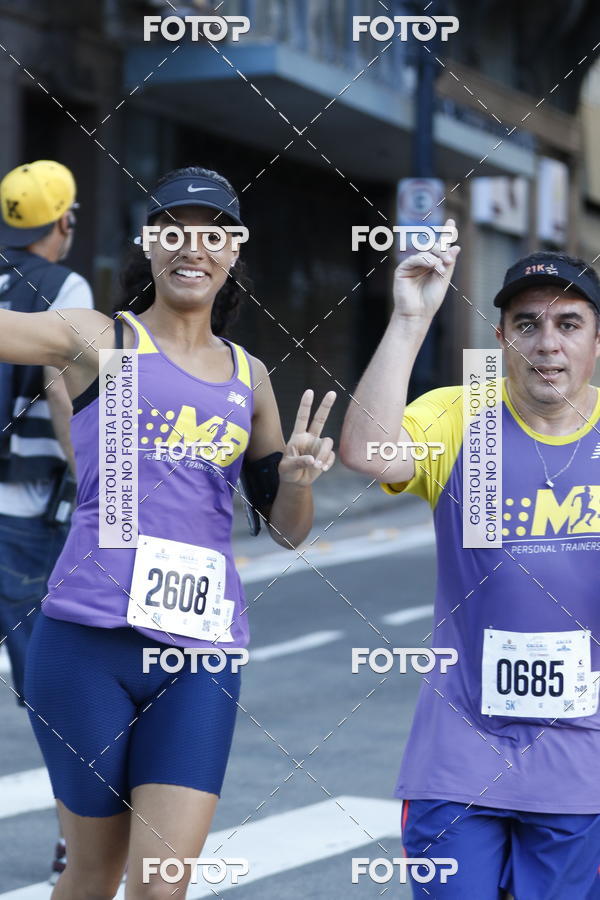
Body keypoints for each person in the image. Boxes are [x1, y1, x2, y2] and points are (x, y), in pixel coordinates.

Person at [16, 165, 336, 899]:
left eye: (214, 232)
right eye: (174, 229)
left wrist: (296, 481)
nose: (194, 246)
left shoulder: (249, 376)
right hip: (86, 646)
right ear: (149, 244)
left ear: (233, 254)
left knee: (162, 884)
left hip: (199, 653)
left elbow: (287, 532)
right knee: (93, 873)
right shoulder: (103, 338)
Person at [340, 230, 600, 899]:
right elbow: (368, 452)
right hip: (458, 758)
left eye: (569, 324)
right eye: (527, 325)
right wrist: (408, 319)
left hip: (583, 765)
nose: (548, 344)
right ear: (502, 336)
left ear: (596, 341)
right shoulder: (462, 415)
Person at [0, 159, 93, 883]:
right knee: (51, 685)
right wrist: (100, 483)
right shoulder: (64, 289)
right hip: (27, 520)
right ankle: (76, 839)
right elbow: (66, 396)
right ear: (62, 223)